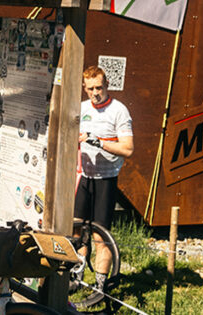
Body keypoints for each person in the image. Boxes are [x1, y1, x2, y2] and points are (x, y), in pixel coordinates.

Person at [74, 65, 134, 293]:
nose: (95, 93)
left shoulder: (119, 110)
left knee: (100, 235)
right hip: (83, 177)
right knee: (77, 231)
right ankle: (76, 277)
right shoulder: (81, 108)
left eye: (99, 87)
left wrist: (98, 141)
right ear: (84, 88)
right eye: (90, 88)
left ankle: (100, 284)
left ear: (107, 85)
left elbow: (128, 149)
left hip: (106, 178)